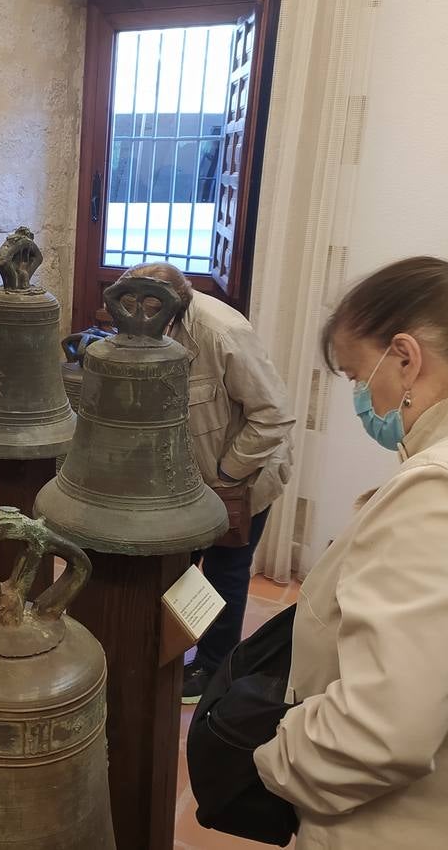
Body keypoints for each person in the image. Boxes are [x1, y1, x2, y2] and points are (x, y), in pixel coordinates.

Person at [254, 243, 448, 848]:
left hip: (420, 823)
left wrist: (273, 761)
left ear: (404, 357)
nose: (360, 402)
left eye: (355, 376)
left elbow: (379, 731)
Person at [120, 263, 294, 703]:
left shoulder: (222, 333)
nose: (140, 315)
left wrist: (228, 475)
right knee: (174, 566)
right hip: (186, 480)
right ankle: (169, 648)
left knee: (225, 572)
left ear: (178, 306)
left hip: (242, 476)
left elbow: (274, 415)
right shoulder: (139, 326)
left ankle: (214, 669)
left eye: (151, 306)